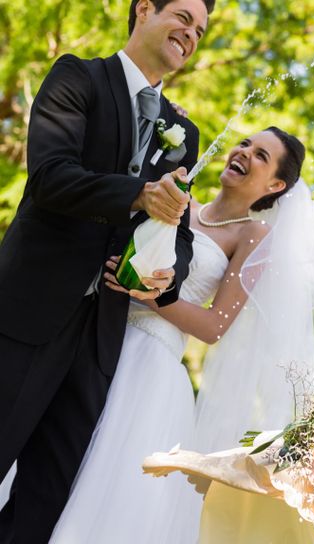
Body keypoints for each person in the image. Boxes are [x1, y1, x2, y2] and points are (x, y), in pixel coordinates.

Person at [49, 126, 314, 543]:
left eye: (260, 155)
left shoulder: (252, 236)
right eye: (245, 144)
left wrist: (153, 298)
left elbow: (216, 326)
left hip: (149, 364)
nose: (243, 152)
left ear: (275, 185)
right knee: (53, 463)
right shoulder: (178, 202)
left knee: (105, 483)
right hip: (93, 337)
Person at [0, 0, 214, 541]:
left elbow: (181, 232)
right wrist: (139, 194)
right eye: (183, 18)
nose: (190, 35)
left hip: (101, 343)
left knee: (45, 500)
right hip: (29, 313)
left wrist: (167, 274)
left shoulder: (183, 132)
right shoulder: (78, 76)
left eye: (200, 30)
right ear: (144, 9)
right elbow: (50, 176)